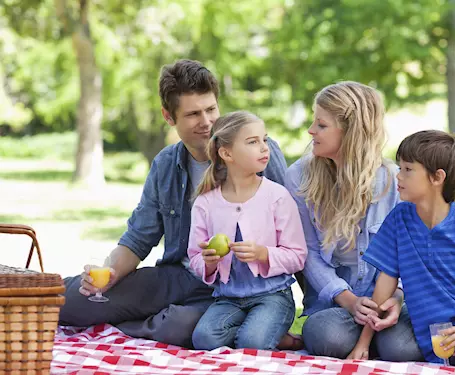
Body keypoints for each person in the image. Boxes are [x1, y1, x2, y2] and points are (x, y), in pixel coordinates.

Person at [58, 59, 288, 349]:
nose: (206, 122)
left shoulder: (261, 151)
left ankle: (143, 324)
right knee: (74, 302)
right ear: (169, 117)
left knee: (178, 328)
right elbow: (138, 238)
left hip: (232, 289)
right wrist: (110, 273)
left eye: (211, 109)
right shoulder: (166, 164)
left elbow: (294, 226)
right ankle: (29, 292)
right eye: (193, 114)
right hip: (176, 276)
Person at [284, 81, 423, 361]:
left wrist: (396, 298)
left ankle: (373, 340)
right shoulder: (299, 177)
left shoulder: (394, 182)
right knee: (326, 337)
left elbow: (411, 253)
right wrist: (348, 300)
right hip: (335, 301)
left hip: (384, 296)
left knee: (403, 348)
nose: (311, 131)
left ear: (350, 132)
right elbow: (307, 251)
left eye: (321, 125)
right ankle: (366, 342)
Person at [353, 130, 455, 371]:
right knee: (398, 350)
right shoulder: (399, 218)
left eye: (408, 169)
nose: (398, 176)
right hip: (437, 332)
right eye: (399, 167)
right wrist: (363, 342)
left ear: (437, 177)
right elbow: (386, 281)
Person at [187, 111, 307, 350]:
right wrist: (208, 262)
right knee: (204, 339)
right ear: (227, 153)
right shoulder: (206, 203)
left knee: (251, 343)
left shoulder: (277, 196)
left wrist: (263, 254)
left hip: (273, 295)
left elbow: (298, 256)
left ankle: (266, 333)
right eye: (253, 142)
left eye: (264, 139)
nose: (264, 148)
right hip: (228, 298)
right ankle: (273, 336)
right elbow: (195, 258)